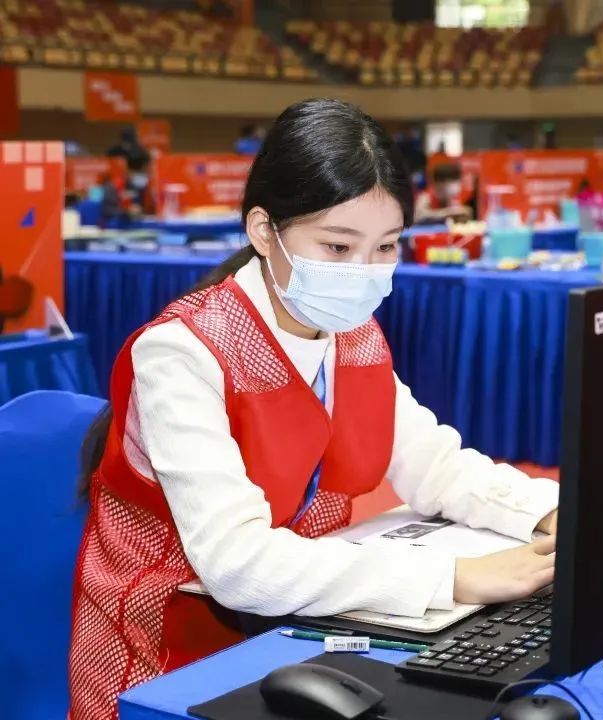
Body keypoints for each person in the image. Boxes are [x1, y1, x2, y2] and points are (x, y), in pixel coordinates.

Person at [68, 99, 559, 720]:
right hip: (166, 644)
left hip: (311, 617)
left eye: (386, 247)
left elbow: (434, 465)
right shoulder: (182, 352)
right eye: (337, 246)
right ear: (263, 231)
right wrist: (459, 577)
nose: (364, 273)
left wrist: (550, 514)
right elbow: (236, 562)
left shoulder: (350, 333)